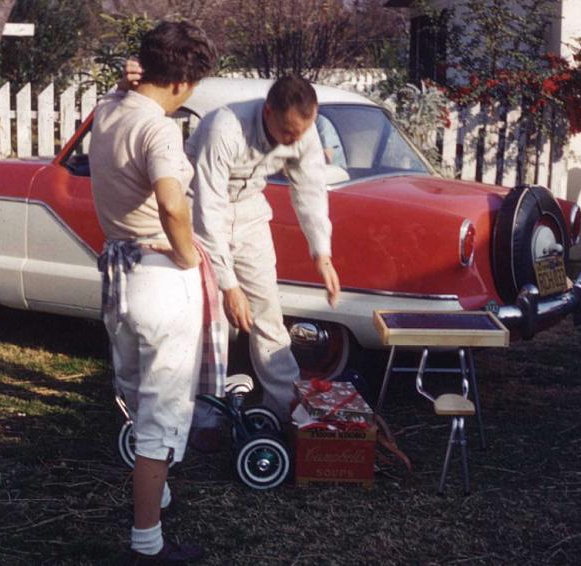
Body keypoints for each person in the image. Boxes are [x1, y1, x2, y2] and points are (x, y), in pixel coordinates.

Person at [90, 21, 216, 564]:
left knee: (137, 395)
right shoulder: (160, 130)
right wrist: (188, 254)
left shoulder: (109, 108)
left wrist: (125, 82)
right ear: (183, 80)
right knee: (160, 419)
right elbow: (172, 203)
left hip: (118, 275)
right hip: (159, 275)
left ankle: (155, 492)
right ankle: (146, 543)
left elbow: (121, 91)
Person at [187, 76, 341, 422]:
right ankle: (203, 416)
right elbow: (207, 213)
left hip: (251, 210)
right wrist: (229, 286)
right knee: (210, 321)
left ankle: (285, 407)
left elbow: (311, 190)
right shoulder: (224, 128)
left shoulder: (302, 130)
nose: (294, 141)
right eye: (287, 133)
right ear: (268, 111)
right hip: (198, 206)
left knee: (267, 313)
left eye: (301, 133)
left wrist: (322, 254)